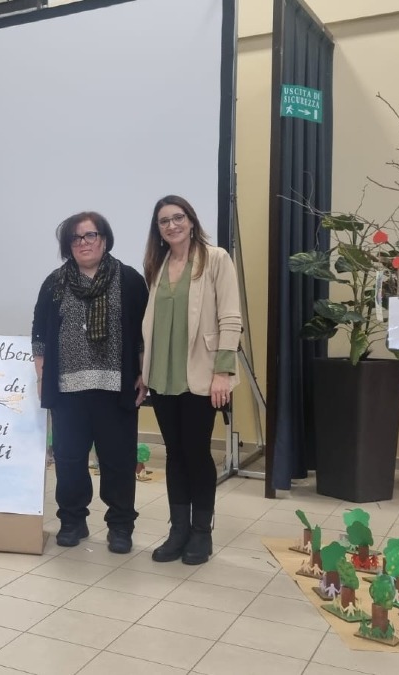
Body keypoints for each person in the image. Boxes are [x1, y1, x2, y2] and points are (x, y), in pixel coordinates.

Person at [32, 212, 149, 552]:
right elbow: (39, 333)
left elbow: (143, 334)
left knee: (119, 461)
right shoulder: (54, 283)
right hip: (68, 390)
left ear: (104, 239)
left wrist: (144, 373)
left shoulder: (128, 280)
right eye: (75, 238)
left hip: (117, 388)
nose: (83, 243)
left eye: (90, 235)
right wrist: (42, 375)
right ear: (68, 246)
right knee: (69, 460)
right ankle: (72, 521)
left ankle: (120, 526)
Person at [141, 195, 241, 566]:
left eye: (177, 218)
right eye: (164, 221)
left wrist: (223, 372)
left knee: (197, 453)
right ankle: (178, 529)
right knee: (174, 453)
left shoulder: (216, 259)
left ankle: (201, 532)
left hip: (202, 374)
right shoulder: (158, 264)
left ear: (191, 221)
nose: (172, 225)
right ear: (159, 230)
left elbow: (231, 318)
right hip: (163, 377)